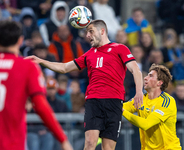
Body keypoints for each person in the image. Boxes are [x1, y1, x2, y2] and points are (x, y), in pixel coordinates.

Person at [26, 19, 143, 150]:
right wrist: (39, 60)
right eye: (87, 33)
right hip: (93, 101)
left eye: (91, 31)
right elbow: (64, 68)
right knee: (90, 143)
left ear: (102, 31)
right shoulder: (89, 54)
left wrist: (139, 92)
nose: (88, 36)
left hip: (114, 102)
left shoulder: (120, 48)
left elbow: (136, 70)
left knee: (108, 148)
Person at [0, 20, 73, 150]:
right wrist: (63, 139)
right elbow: (40, 106)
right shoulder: (27, 67)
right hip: (11, 144)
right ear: (20, 40)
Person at [123, 63, 182, 150]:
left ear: (159, 82)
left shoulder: (167, 101)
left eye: (150, 76)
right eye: (147, 75)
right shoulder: (141, 98)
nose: (145, 78)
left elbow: (146, 124)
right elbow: (121, 107)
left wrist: (122, 111)